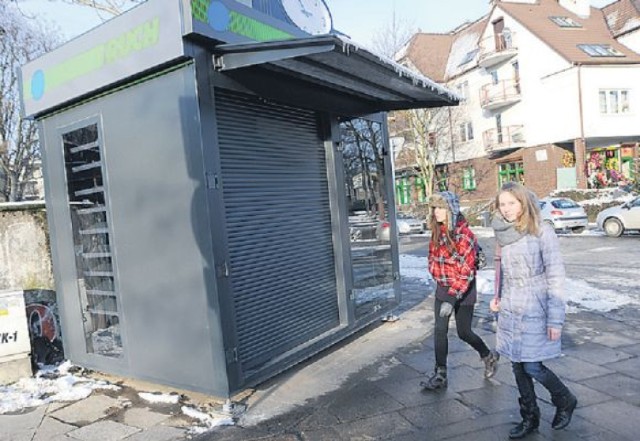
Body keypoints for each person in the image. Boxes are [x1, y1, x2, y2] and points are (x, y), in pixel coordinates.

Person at [490, 182, 577, 439]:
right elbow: (502, 273)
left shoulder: (541, 231)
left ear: (523, 203)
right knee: (517, 367)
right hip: (511, 308)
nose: (506, 209)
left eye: (511, 203)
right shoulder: (502, 234)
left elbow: (556, 276)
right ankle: (530, 418)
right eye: (502, 204)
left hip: (536, 308)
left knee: (532, 367)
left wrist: (556, 320)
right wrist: (497, 299)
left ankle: (564, 399)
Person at [421, 191, 499, 391]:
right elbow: (432, 258)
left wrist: (452, 297)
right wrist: (438, 275)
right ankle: (440, 374)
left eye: (440, 208)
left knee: (464, 332)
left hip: (462, 289)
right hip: (443, 288)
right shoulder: (436, 231)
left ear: (451, 210)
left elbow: (465, 272)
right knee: (440, 331)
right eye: (434, 208)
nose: (436, 212)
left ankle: (488, 356)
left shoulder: (464, 235)